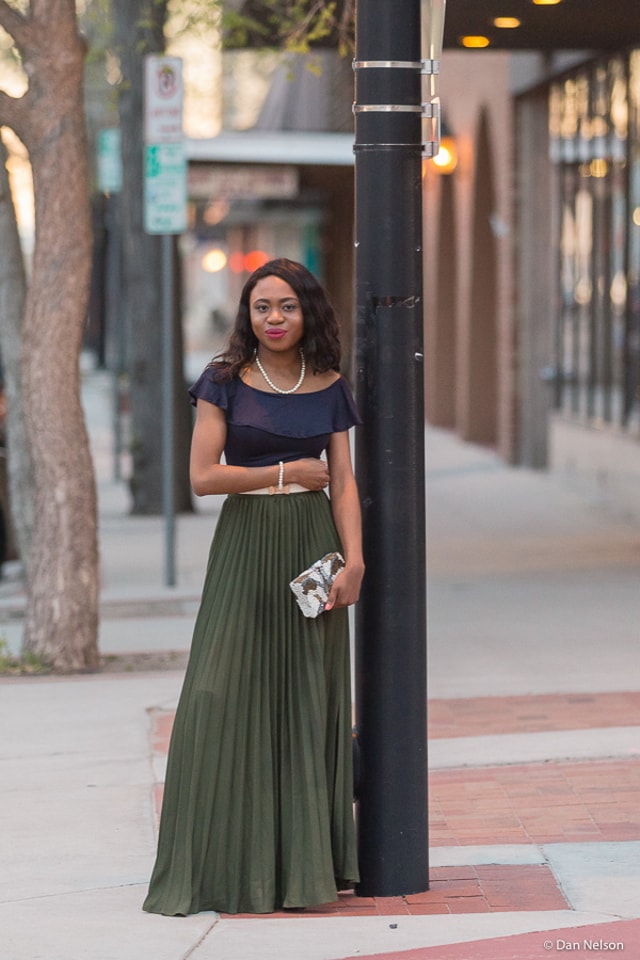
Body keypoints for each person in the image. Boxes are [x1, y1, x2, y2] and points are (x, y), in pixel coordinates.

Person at [143, 258, 364, 916]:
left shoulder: (329, 383)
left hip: (310, 548)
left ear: (308, 312)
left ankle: (300, 870)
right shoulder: (223, 381)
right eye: (262, 306)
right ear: (248, 313)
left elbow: (344, 481)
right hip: (245, 544)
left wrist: (355, 563)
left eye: (287, 306)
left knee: (305, 695)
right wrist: (284, 472)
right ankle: (214, 862)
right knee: (219, 691)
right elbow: (204, 477)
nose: (274, 318)